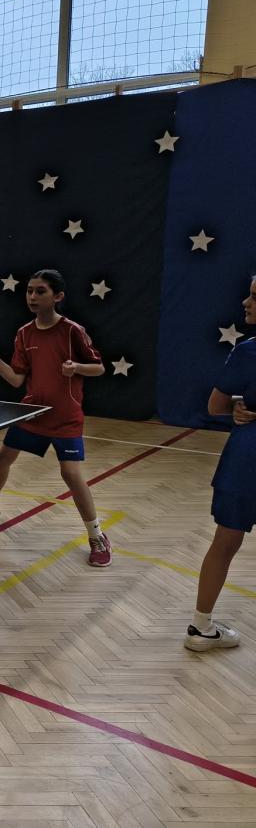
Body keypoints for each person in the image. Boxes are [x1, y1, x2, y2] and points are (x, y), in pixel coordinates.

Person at [0, 269, 110, 567]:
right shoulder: (24, 333)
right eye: (29, 291)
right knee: (4, 457)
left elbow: (99, 368)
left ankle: (97, 535)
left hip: (65, 416)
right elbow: (16, 379)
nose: (32, 296)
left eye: (40, 291)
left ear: (58, 296)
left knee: (71, 474)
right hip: (33, 412)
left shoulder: (72, 331)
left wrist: (76, 368)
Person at [185, 275, 256, 651]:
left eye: (254, 296)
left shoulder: (248, 351)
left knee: (225, 543)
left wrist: (237, 406)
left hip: (245, 460)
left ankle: (200, 628)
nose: (246, 302)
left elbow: (215, 406)